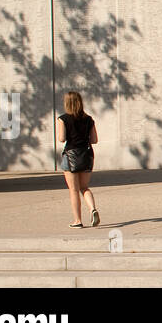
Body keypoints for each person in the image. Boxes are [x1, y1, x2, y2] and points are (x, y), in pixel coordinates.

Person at [55, 91, 99, 229]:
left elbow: (62, 138)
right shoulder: (89, 119)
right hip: (86, 155)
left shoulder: (63, 119)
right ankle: (92, 209)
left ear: (67, 103)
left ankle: (77, 220)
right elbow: (94, 140)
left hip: (71, 155)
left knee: (73, 190)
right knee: (84, 187)